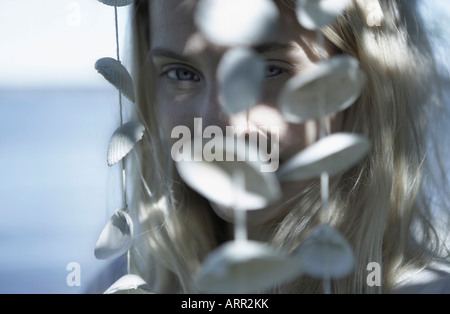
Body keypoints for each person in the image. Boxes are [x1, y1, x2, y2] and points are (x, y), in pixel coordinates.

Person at [113, 0, 450, 293]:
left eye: (270, 70)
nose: (221, 125)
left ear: (362, 81)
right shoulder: (123, 284)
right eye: (182, 74)